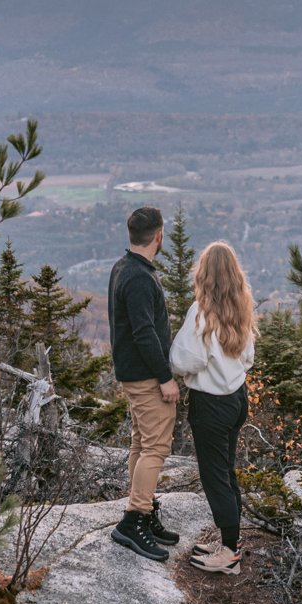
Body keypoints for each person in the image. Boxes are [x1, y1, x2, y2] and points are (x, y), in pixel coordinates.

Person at [169, 241, 256, 575]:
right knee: (226, 470)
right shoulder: (241, 307)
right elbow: (248, 358)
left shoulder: (202, 312)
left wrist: (192, 371)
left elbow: (182, 360)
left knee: (214, 475)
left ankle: (230, 554)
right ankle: (229, 543)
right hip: (237, 398)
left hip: (211, 404)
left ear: (204, 274)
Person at [107, 205, 180, 561]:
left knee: (141, 442)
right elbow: (144, 333)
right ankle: (132, 522)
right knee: (156, 449)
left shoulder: (124, 267)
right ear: (159, 235)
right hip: (146, 375)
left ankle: (143, 512)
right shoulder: (138, 277)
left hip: (132, 373)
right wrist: (165, 378)